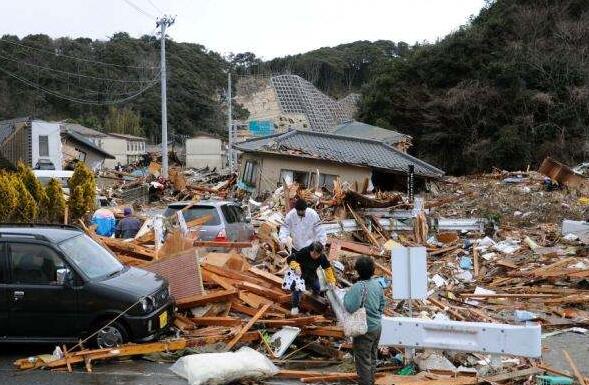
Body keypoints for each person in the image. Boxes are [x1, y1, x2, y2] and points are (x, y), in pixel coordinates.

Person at [344, 256, 385, 385]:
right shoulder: (377, 285)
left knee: (363, 362)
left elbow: (350, 307)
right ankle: (371, 381)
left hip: (364, 329)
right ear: (373, 271)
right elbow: (382, 305)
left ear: (358, 271)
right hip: (377, 327)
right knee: (372, 358)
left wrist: (346, 296)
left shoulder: (358, 287)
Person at [284, 241, 336, 315]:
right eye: (314, 254)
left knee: (317, 287)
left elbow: (327, 268)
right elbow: (290, 259)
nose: (316, 256)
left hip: (312, 275)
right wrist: (296, 267)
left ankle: (314, 303)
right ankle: (295, 307)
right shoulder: (304, 251)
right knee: (297, 291)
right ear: (310, 250)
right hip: (300, 274)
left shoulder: (321, 257)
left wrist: (331, 280)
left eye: (318, 254)